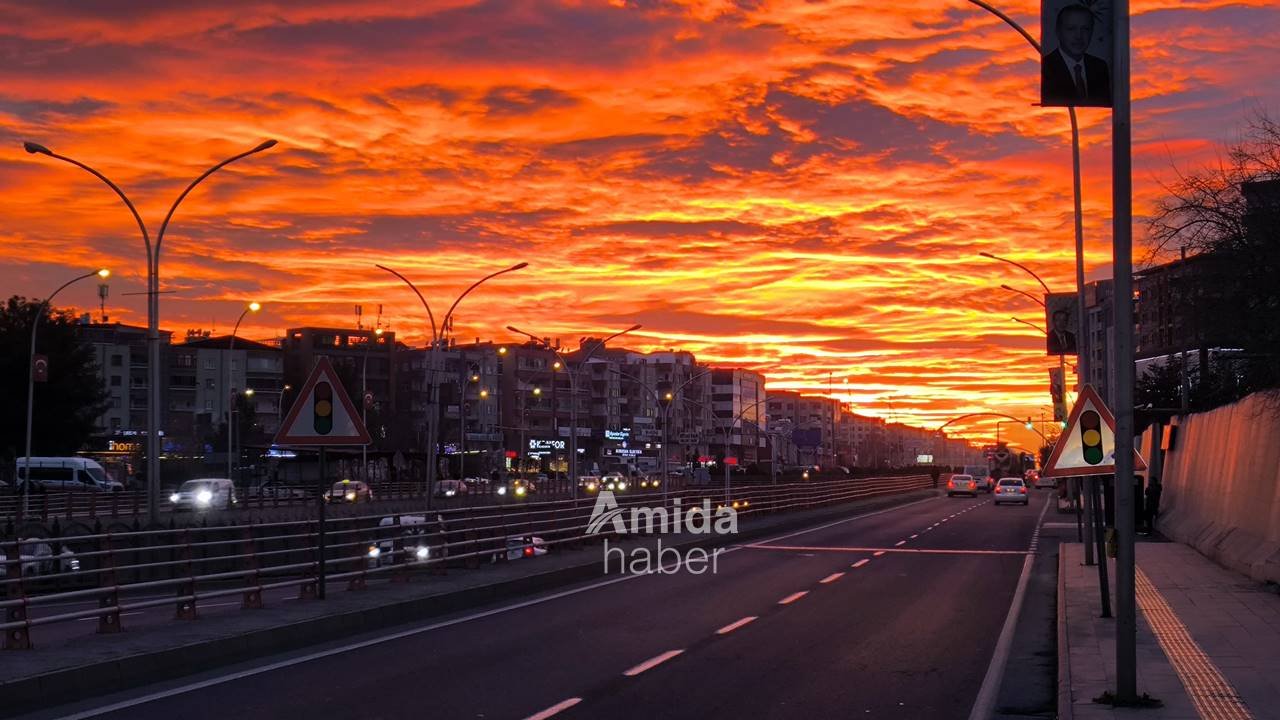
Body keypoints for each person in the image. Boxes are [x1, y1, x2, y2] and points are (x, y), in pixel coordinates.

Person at [1041, 4, 1112, 107]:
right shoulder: (1046, 67)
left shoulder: (1099, 67)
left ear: (1092, 32)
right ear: (1058, 31)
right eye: (1071, 29)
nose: (1079, 36)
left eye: (1085, 29)